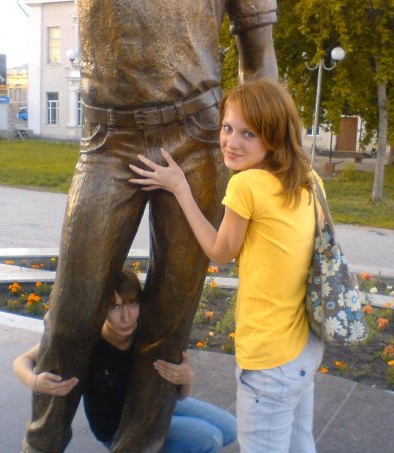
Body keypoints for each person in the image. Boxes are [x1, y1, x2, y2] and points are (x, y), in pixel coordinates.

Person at [23, 2, 278, 452]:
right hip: (108, 140)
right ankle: (40, 445)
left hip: (197, 137)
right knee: (73, 309)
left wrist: (268, 164)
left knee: (168, 321)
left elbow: (258, 63)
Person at [130, 79, 325, 453]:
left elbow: (220, 252)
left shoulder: (246, 185)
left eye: (248, 134)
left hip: (269, 359)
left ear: (273, 137)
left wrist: (180, 188)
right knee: (301, 444)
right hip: (303, 346)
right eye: (227, 128)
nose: (232, 142)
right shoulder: (307, 179)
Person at [14, 267, 236, 453]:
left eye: (132, 304)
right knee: (209, 439)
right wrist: (35, 382)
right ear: (102, 308)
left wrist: (187, 379)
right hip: (119, 427)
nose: (126, 317)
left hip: (152, 403)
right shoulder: (87, 339)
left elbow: (180, 395)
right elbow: (22, 361)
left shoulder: (146, 332)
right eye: (115, 307)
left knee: (231, 429)